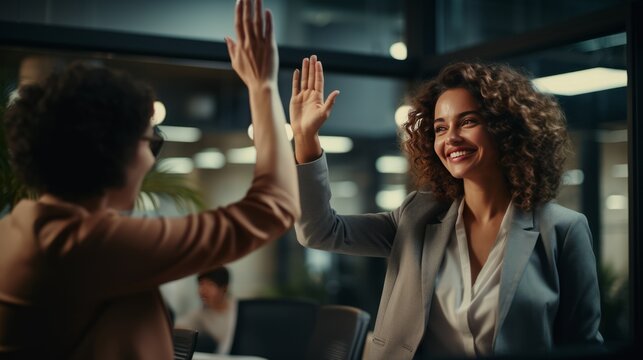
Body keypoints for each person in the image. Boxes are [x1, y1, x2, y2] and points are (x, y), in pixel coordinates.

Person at [0, 0, 299, 358]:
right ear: (112, 151)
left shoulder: (22, 228)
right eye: (150, 141)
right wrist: (263, 88)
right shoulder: (84, 245)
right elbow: (273, 208)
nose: (152, 159)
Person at [290, 57, 603, 359]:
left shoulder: (562, 230)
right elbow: (320, 232)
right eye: (440, 128)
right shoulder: (417, 215)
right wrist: (306, 138)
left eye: (467, 121)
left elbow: (583, 345)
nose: (451, 137)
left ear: (506, 129)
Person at [175, 267, 237, 354]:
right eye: (201, 284)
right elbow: (178, 327)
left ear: (224, 288)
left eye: (210, 284)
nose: (203, 290)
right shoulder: (201, 314)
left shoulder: (239, 309)